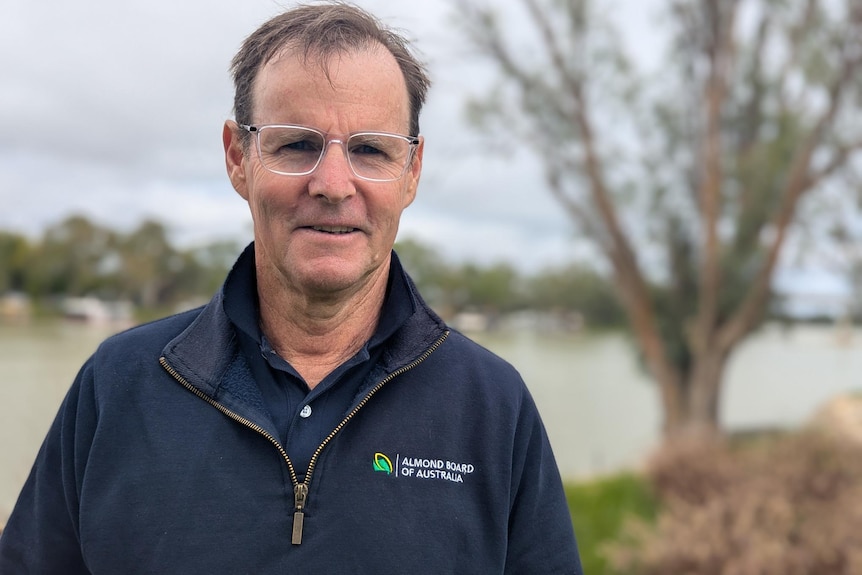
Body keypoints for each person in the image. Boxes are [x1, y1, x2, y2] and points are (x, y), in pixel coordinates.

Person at [0, 2, 583, 572]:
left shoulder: (493, 405)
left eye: (371, 149)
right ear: (238, 157)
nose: (333, 184)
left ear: (412, 171)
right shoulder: (117, 387)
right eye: (297, 144)